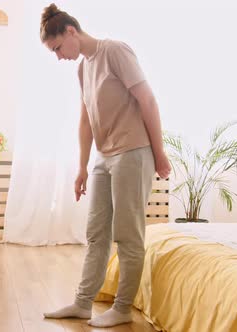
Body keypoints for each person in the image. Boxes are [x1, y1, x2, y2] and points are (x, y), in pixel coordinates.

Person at [39, 3, 171, 328]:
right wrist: (82, 167)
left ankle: (123, 308)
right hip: (105, 156)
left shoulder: (115, 51)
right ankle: (83, 303)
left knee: (128, 235)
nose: (58, 56)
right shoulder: (83, 69)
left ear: (71, 32)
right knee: (96, 233)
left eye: (57, 48)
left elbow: (148, 100)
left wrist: (160, 152)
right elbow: (85, 122)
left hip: (133, 152)